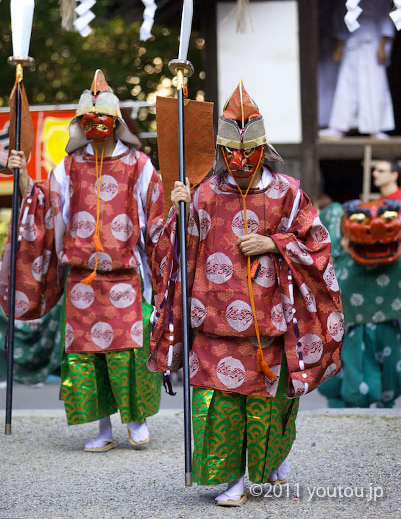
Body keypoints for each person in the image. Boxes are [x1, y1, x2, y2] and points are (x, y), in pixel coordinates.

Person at [150, 81, 343, 506]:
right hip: (212, 320)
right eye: (230, 153)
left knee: (264, 411)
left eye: (248, 153)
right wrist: (176, 209)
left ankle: (268, 462)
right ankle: (231, 478)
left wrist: (275, 243)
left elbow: (319, 244)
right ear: (219, 151)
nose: (239, 162)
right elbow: (173, 251)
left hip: (268, 323)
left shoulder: (288, 193)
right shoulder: (202, 191)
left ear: (263, 149)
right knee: (217, 409)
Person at [2, 70, 164, 451]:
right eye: (87, 119)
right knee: (86, 356)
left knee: (129, 351)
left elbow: (157, 216)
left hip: (125, 275)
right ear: (79, 123)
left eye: (102, 118)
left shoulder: (139, 165)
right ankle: (103, 428)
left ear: (116, 122)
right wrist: (22, 173)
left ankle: (136, 419)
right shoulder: (69, 165)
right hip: (81, 279)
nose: (95, 125)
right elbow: (43, 203)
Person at [319, 193, 401, 408]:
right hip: (352, 325)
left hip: (389, 322)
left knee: (388, 373)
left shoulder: (396, 256)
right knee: (354, 375)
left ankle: (383, 406)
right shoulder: (338, 250)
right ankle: (351, 410)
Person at [320, 0, 395, 139]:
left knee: (374, 85)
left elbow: (385, 16)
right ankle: (339, 127)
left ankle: (376, 128)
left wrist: (383, 45)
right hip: (351, 43)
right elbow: (343, 18)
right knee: (346, 85)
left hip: (372, 44)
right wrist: (339, 46)